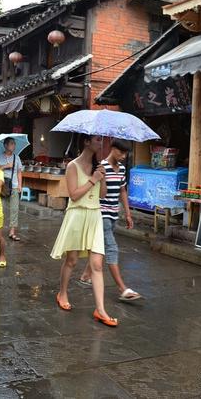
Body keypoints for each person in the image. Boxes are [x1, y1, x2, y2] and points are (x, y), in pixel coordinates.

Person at [51, 134, 118, 327]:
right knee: (71, 260)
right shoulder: (73, 166)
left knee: (97, 264)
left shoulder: (99, 166)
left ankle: (101, 310)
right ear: (86, 142)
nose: (101, 143)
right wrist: (93, 179)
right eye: (97, 139)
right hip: (77, 214)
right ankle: (62, 292)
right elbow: (74, 195)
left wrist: (101, 178)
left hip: (95, 214)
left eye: (102, 140)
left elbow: (102, 194)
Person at [78, 139, 142, 301]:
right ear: (112, 149)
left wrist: (127, 214)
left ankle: (86, 275)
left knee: (100, 247)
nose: (123, 156)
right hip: (101, 215)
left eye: (126, 153)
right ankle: (123, 289)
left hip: (114, 214)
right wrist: (101, 178)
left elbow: (123, 191)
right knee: (111, 248)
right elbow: (99, 194)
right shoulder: (100, 167)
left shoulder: (121, 168)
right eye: (121, 152)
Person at [0, 138, 23, 241]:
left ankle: (12, 232)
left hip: (15, 186)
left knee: (14, 209)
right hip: (2, 186)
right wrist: (6, 166)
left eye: (14, 144)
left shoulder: (17, 158)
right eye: (12, 144)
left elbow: (19, 172)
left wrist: (20, 185)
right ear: (6, 145)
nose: (14, 146)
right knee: (0, 209)